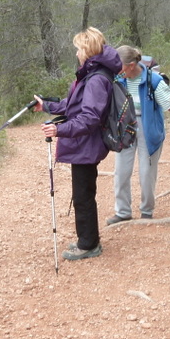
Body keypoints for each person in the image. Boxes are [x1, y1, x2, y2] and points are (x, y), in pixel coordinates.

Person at [32, 27, 122, 261]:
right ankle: (87, 239)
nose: (76, 53)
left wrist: (59, 129)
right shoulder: (93, 74)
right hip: (85, 144)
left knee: (83, 196)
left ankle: (89, 244)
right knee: (83, 194)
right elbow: (74, 106)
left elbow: (90, 118)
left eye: (78, 49)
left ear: (87, 49)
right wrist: (48, 106)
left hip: (86, 145)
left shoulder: (95, 79)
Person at [106, 45, 170, 225]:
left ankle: (146, 211)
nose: (117, 70)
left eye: (120, 66)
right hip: (125, 128)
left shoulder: (153, 80)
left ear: (132, 65)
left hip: (147, 128)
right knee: (121, 171)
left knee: (146, 172)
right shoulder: (117, 79)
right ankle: (123, 212)